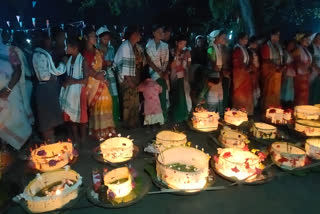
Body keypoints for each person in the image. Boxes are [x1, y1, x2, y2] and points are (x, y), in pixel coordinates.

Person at [0, 31, 33, 150]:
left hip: (11, 94)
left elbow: (18, 70)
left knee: (18, 121)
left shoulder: (9, 51)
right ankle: (6, 152)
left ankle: (26, 150)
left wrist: (7, 90)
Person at [32, 31, 66, 143]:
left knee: (50, 120)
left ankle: (51, 141)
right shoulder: (39, 55)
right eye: (49, 39)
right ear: (44, 41)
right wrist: (62, 65)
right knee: (46, 120)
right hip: (45, 90)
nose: (51, 41)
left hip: (48, 89)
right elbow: (44, 76)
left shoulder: (42, 53)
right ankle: (49, 142)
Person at [82, 27, 115, 139]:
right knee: (99, 105)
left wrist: (105, 66)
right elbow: (86, 69)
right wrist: (97, 75)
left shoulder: (97, 51)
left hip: (100, 80)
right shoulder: (85, 53)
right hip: (92, 83)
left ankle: (106, 130)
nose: (95, 38)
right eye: (93, 36)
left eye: (95, 36)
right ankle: (99, 131)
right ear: (86, 37)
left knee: (107, 102)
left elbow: (102, 64)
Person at [60, 37, 88, 145]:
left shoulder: (83, 61)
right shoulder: (69, 59)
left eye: (67, 46)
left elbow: (86, 80)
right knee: (71, 118)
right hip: (70, 92)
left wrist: (73, 81)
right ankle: (75, 139)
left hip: (79, 92)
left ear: (74, 48)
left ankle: (83, 140)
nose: (65, 48)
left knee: (81, 118)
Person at [114, 26, 143, 129]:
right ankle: (128, 124)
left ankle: (133, 122)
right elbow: (124, 67)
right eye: (137, 34)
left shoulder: (132, 46)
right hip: (127, 80)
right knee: (128, 102)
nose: (139, 36)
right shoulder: (125, 46)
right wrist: (130, 81)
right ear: (133, 35)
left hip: (132, 78)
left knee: (133, 101)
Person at [96, 26, 120, 127]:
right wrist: (105, 63)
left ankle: (114, 120)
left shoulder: (111, 48)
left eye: (108, 39)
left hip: (110, 75)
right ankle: (105, 123)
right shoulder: (96, 49)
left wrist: (110, 64)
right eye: (104, 38)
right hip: (99, 77)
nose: (106, 41)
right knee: (103, 99)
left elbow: (114, 62)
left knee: (114, 96)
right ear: (99, 38)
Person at [145, 25, 169, 122]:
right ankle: (154, 120)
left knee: (162, 95)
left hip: (162, 74)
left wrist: (164, 72)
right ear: (154, 33)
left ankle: (162, 118)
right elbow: (149, 61)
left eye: (162, 32)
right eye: (159, 32)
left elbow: (166, 61)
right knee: (154, 97)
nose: (161, 34)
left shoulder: (165, 46)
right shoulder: (148, 45)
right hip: (152, 74)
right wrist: (159, 72)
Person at [260, 29, 284, 110]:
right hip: (270, 72)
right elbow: (265, 60)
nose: (277, 38)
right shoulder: (266, 46)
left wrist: (281, 66)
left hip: (277, 72)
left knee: (276, 92)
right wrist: (275, 66)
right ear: (271, 36)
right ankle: (267, 110)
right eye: (276, 35)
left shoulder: (278, 46)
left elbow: (281, 58)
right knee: (268, 92)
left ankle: (275, 109)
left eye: (278, 36)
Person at [170, 34, 192, 123]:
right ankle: (177, 116)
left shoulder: (186, 52)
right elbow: (172, 66)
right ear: (176, 43)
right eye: (181, 44)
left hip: (184, 76)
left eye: (184, 44)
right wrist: (176, 55)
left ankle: (185, 115)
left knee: (185, 96)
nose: (183, 46)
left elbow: (189, 64)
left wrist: (189, 56)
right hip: (175, 76)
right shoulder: (171, 52)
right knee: (178, 96)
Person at [232, 33, 254, 115]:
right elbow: (236, 63)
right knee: (240, 94)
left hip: (246, 75)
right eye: (245, 39)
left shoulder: (244, 49)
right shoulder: (237, 49)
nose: (246, 40)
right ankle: (238, 113)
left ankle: (246, 112)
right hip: (240, 76)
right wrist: (245, 69)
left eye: (247, 39)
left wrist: (249, 67)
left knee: (246, 94)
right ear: (240, 40)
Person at [207, 30, 230, 110]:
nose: (224, 39)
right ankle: (211, 115)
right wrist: (220, 72)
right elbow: (212, 64)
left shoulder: (218, 47)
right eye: (222, 37)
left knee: (219, 95)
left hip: (218, 74)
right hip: (213, 75)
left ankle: (219, 115)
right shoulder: (211, 48)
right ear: (216, 37)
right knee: (213, 96)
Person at [293, 33, 312, 105]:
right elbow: (296, 62)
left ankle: (303, 109)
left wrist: (309, 68)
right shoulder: (297, 49)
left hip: (306, 74)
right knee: (300, 93)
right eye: (306, 39)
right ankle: (298, 109)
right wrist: (305, 68)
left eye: (308, 39)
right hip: (299, 75)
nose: (308, 41)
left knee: (305, 93)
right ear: (300, 40)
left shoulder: (305, 49)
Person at [280, 40, 296, 108]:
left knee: (289, 88)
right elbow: (283, 62)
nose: (291, 46)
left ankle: (289, 102)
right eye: (290, 45)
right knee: (284, 87)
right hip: (286, 71)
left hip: (290, 72)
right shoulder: (284, 53)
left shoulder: (290, 53)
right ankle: (283, 102)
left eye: (293, 45)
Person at [248, 36, 261, 108]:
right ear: (251, 43)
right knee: (251, 90)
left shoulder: (255, 51)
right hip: (251, 73)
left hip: (255, 73)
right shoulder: (249, 51)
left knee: (255, 89)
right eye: (255, 43)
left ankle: (254, 106)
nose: (257, 45)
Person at [309, 33, 320, 104]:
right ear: (315, 38)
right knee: (311, 90)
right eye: (318, 38)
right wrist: (318, 69)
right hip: (313, 72)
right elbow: (311, 60)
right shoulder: (311, 47)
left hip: (319, 73)